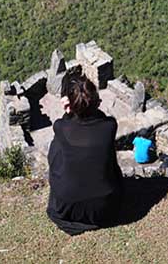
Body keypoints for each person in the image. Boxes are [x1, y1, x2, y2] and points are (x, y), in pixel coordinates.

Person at [47, 71, 123, 235]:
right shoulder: (110, 126)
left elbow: (52, 158)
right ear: (96, 102)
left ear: (70, 104)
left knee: (58, 148)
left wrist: (68, 111)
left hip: (67, 207)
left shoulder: (61, 127)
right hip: (104, 207)